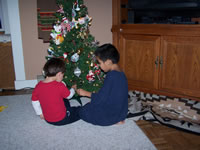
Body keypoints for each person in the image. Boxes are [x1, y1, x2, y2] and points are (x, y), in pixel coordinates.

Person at [77, 43, 128, 126]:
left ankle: (111, 119)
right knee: (92, 105)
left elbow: (100, 98)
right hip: (121, 115)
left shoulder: (111, 76)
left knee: (83, 111)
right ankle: (118, 119)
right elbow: (124, 97)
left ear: (108, 62)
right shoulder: (121, 73)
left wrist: (85, 93)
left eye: (100, 63)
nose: (99, 66)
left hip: (108, 117)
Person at [31, 58, 80, 126]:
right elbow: (69, 96)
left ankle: (65, 109)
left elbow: (34, 101)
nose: (63, 76)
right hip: (62, 119)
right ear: (59, 74)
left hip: (48, 119)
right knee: (79, 110)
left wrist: (40, 113)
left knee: (63, 99)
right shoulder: (60, 85)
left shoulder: (38, 86)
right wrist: (73, 89)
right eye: (63, 75)